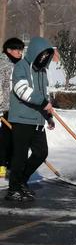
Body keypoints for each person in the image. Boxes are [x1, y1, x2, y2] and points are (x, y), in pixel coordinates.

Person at [7, 37, 55, 201]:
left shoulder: (42, 72)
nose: (43, 59)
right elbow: (21, 89)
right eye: (41, 55)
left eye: (46, 56)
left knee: (41, 153)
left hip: (37, 120)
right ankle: (13, 189)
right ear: (35, 52)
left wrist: (48, 116)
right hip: (21, 118)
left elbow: (44, 95)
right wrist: (43, 102)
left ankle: (21, 181)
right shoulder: (21, 66)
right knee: (19, 156)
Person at [0, 38, 25, 179]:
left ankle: (9, 165)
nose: (20, 53)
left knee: (14, 137)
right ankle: (3, 165)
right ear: (9, 50)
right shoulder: (4, 64)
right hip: (6, 107)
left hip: (17, 107)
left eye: (22, 50)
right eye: (17, 50)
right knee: (6, 137)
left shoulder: (17, 64)